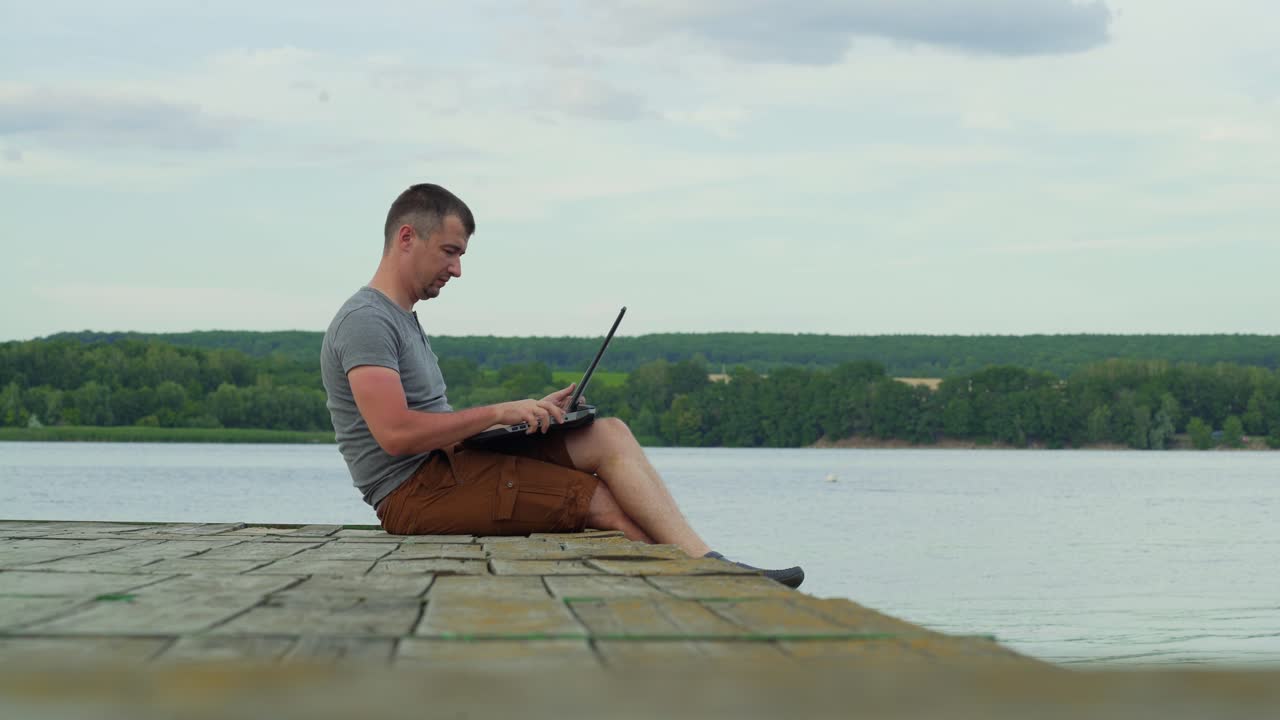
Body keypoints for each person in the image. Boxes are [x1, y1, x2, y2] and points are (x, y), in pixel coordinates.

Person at [320, 183, 804, 588]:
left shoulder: (403, 319)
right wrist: (496, 413)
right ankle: (712, 586)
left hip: (451, 465)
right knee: (603, 504)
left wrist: (528, 414)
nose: (457, 269)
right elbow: (396, 435)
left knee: (606, 433)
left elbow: (432, 423)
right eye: (450, 252)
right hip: (413, 495)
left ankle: (709, 562)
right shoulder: (366, 320)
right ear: (407, 237)